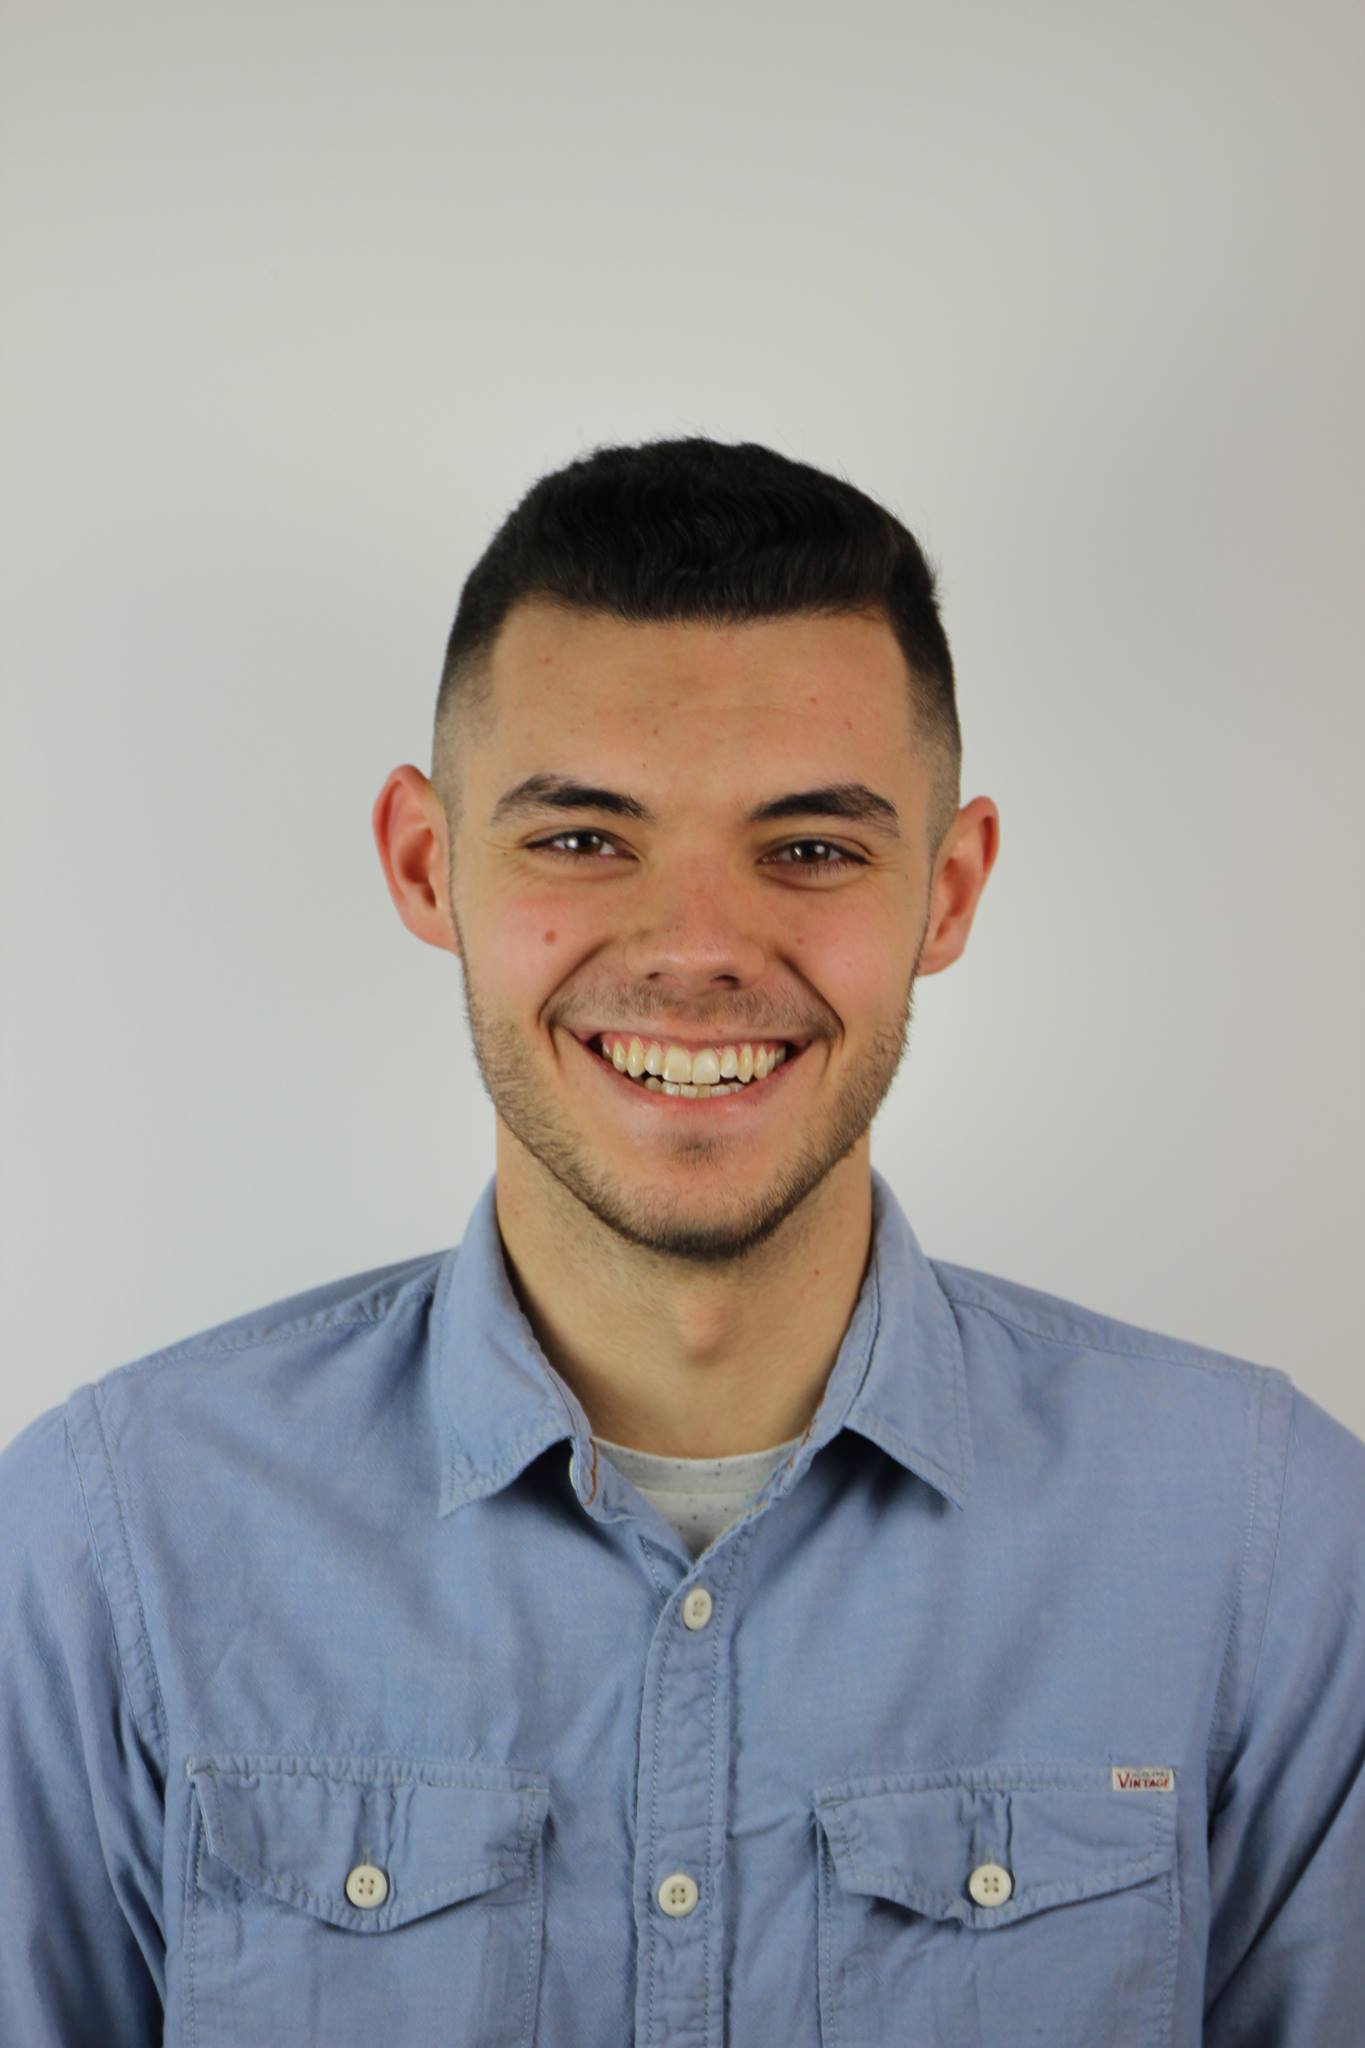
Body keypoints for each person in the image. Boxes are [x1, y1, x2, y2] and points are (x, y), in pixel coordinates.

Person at [1, 435, 1361, 2046]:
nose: (698, 948)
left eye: (811, 848)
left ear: (947, 890)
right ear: (427, 863)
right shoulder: (109, 1545)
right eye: (583, 839)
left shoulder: (1271, 1545)